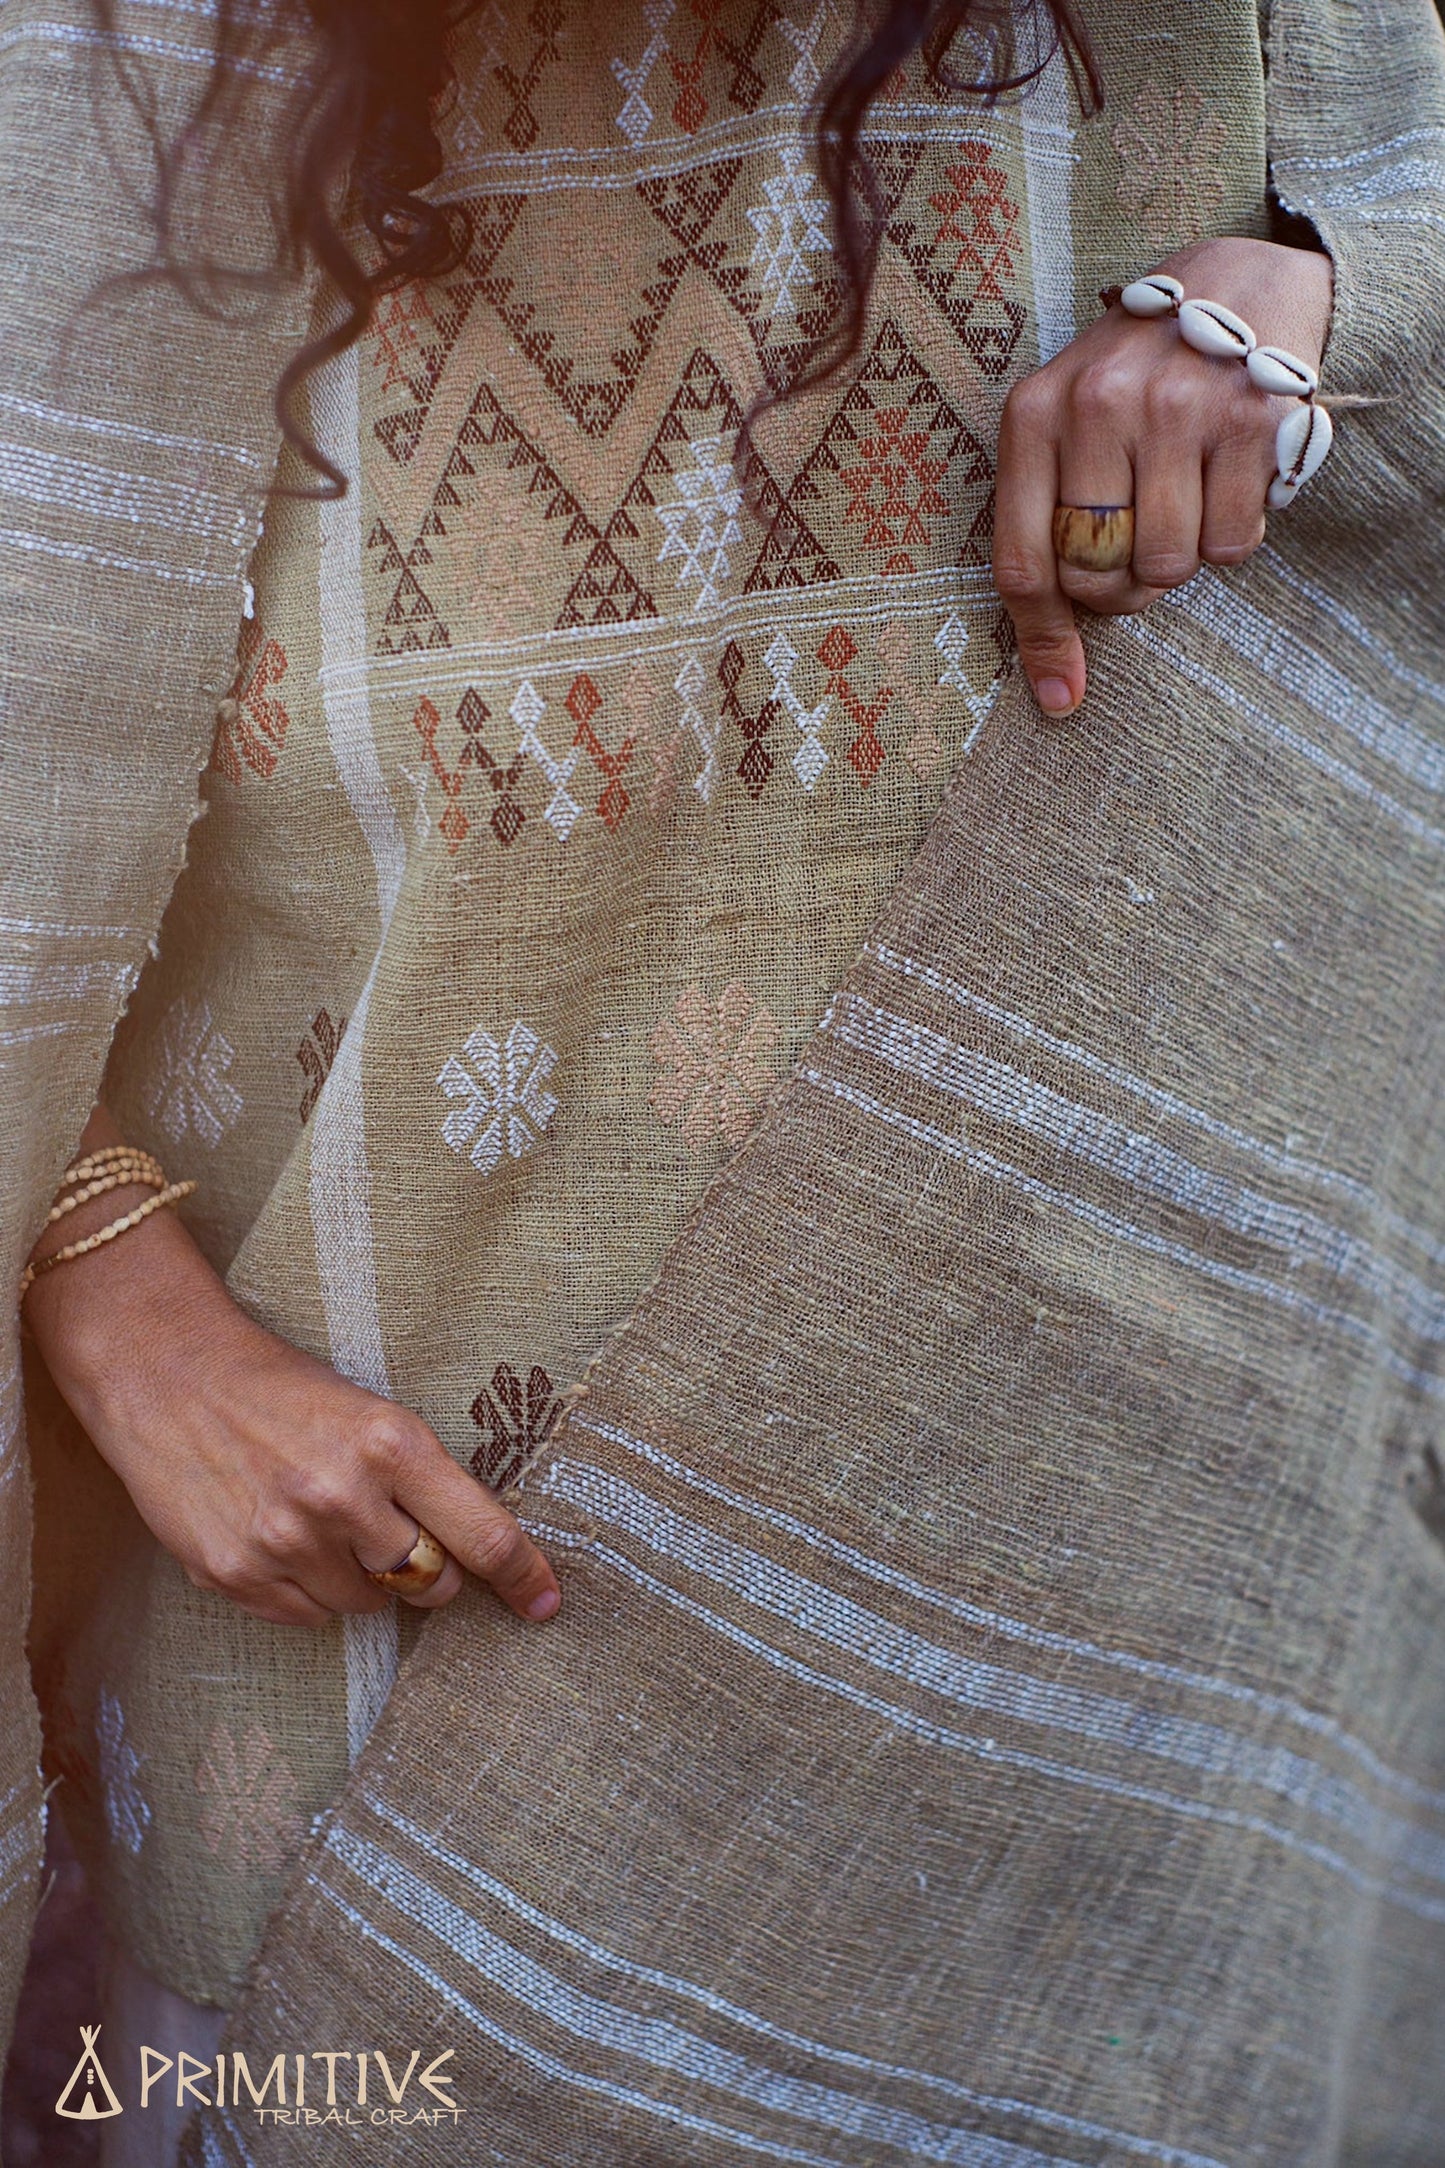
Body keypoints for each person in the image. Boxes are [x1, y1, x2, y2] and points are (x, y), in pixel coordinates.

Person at [7, 0, 1445, 2159]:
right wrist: (110, 1296)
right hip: (352, 1660)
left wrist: (1337, 293)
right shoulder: (147, 65)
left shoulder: (1285, 48)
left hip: (1132, 1667)